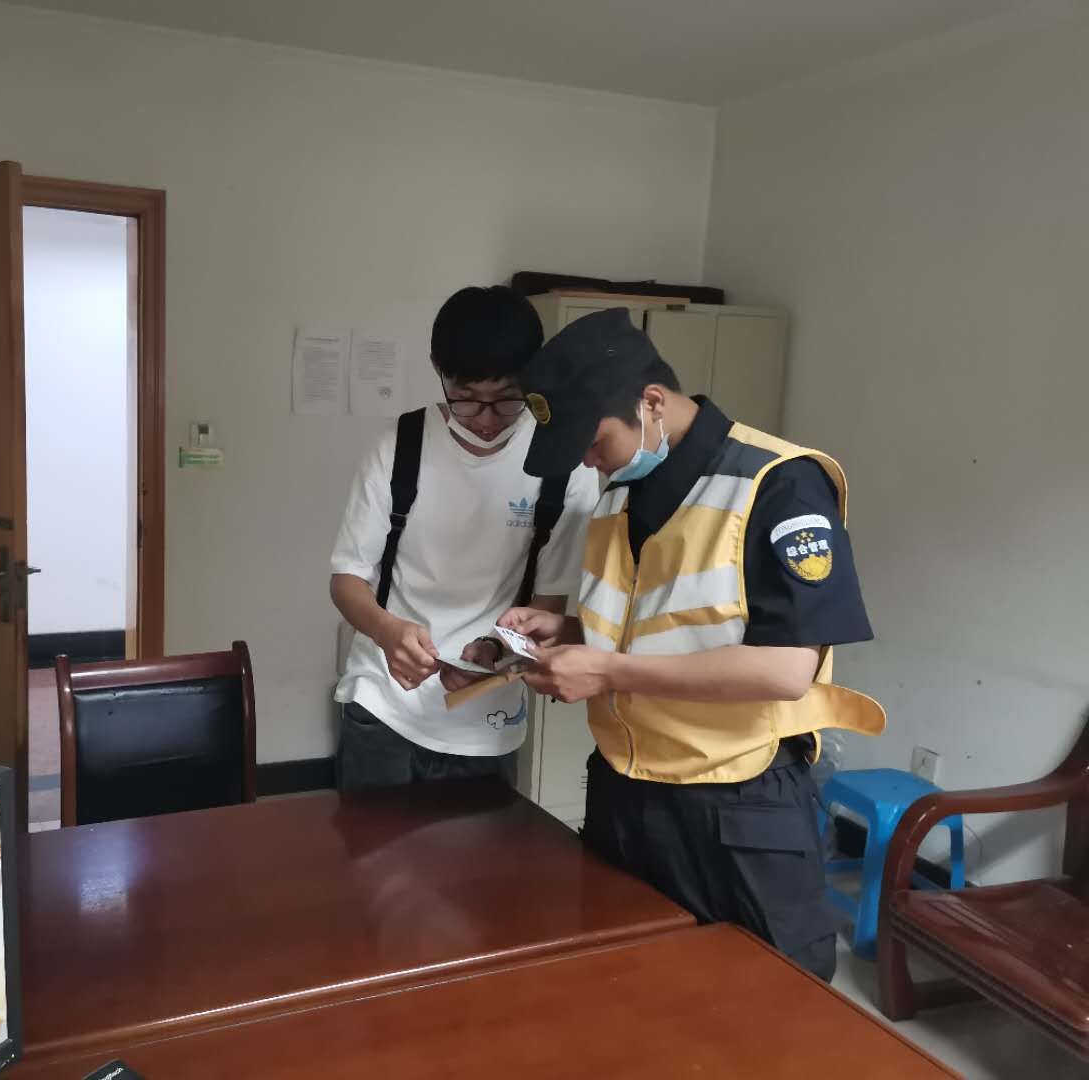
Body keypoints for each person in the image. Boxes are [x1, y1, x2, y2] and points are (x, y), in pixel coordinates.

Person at [500, 308, 884, 981]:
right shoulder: (618, 495)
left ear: (652, 403)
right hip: (625, 793)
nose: (587, 461)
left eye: (595, 441)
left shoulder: (778, 484)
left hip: (736, 801)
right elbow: (656, 625)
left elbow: (786, 669)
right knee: (629, 984)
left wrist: (607, 669)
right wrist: (570, 633)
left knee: (772, 997)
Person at [330, 286, 599, 792]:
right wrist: (387, 632)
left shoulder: (563, 466)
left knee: (484, 847)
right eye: (467, 399)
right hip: (384, 701)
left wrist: (498, 652)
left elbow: (546, 605)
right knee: (367, 844)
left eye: (507, 399)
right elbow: (347, 580)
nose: (487, 419)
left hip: (487, 716)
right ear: (439, 370)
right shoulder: (399, 447)